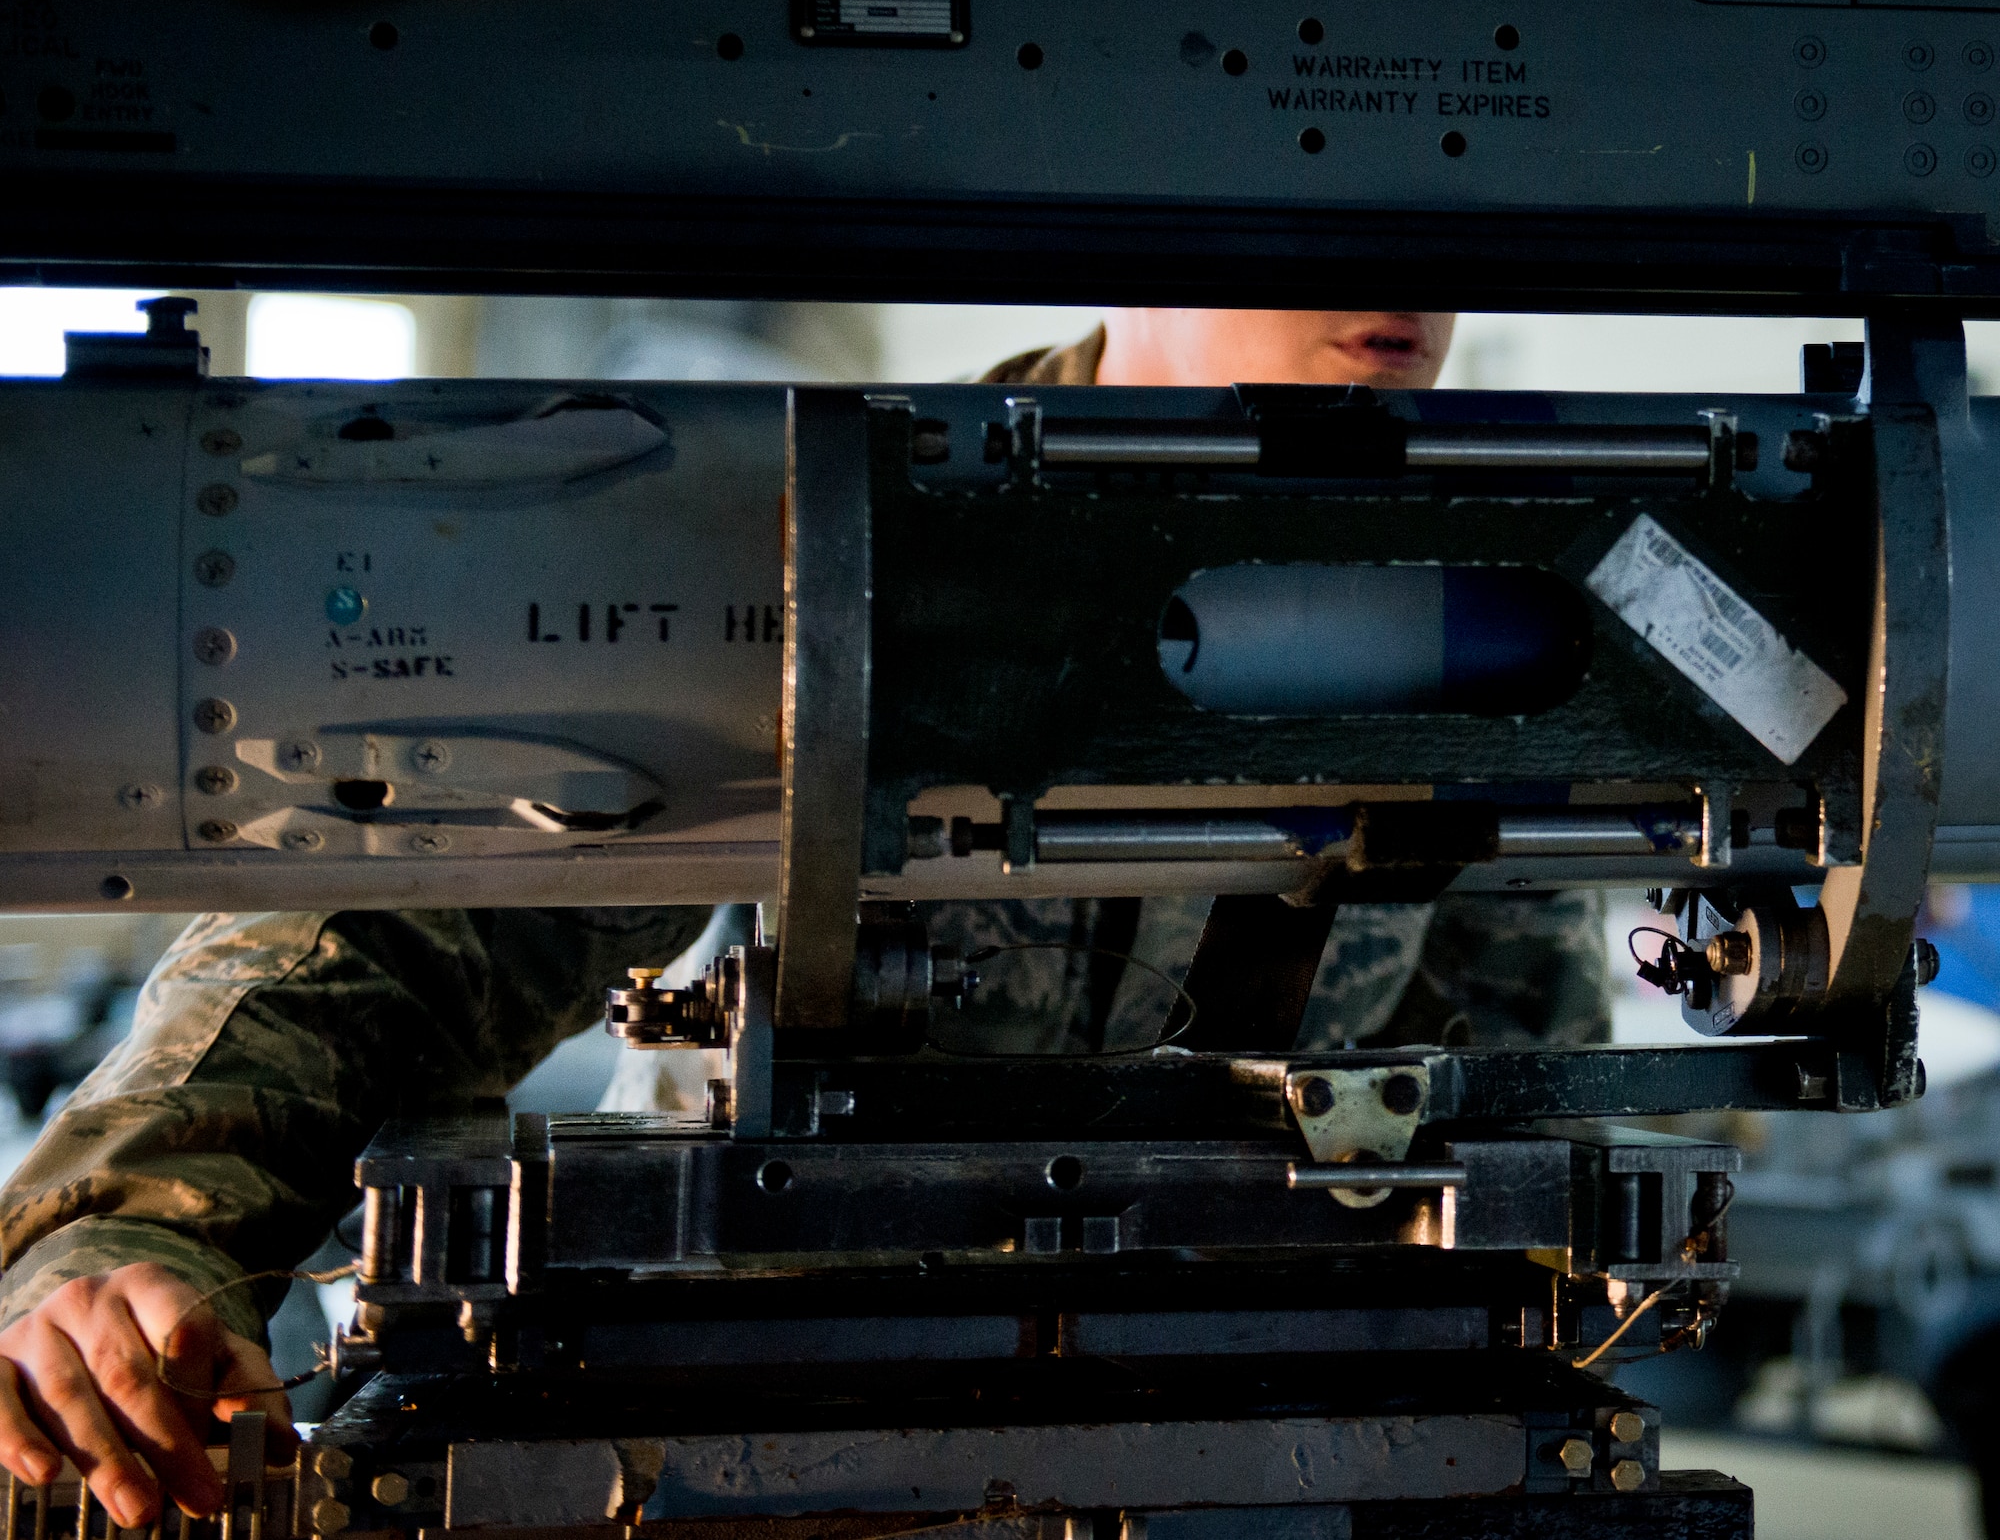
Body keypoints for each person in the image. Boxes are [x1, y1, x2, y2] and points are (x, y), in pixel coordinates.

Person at [0, 309, 1606, 1527]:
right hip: (719, 1460)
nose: (1405, 275)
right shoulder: (840, 536)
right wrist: (128, 1231)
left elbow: (1530, 1119)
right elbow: (390, 942)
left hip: (1238, 1468)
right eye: (1309, 168)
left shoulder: (1476, 620)